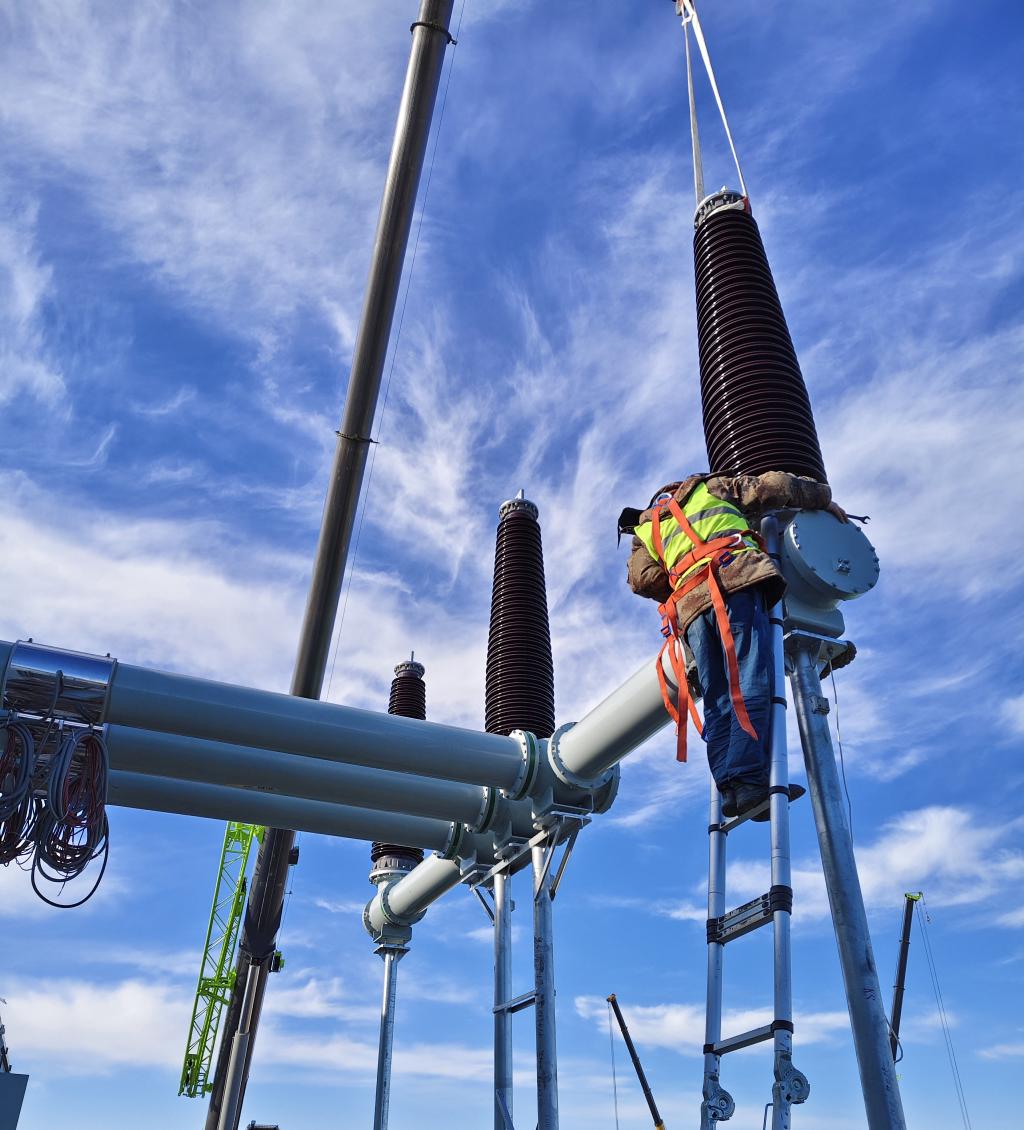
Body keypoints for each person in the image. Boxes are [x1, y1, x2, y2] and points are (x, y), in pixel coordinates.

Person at [620, 471, 846, 820]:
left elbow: (642, 580)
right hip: (734, 584)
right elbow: (772, 488)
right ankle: (750, 781)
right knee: (751, 680)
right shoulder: (710, 488)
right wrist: (822, 498)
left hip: (691, 610)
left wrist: (686, 572)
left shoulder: (646, 530)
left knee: (718, 697)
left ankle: (731, 789)